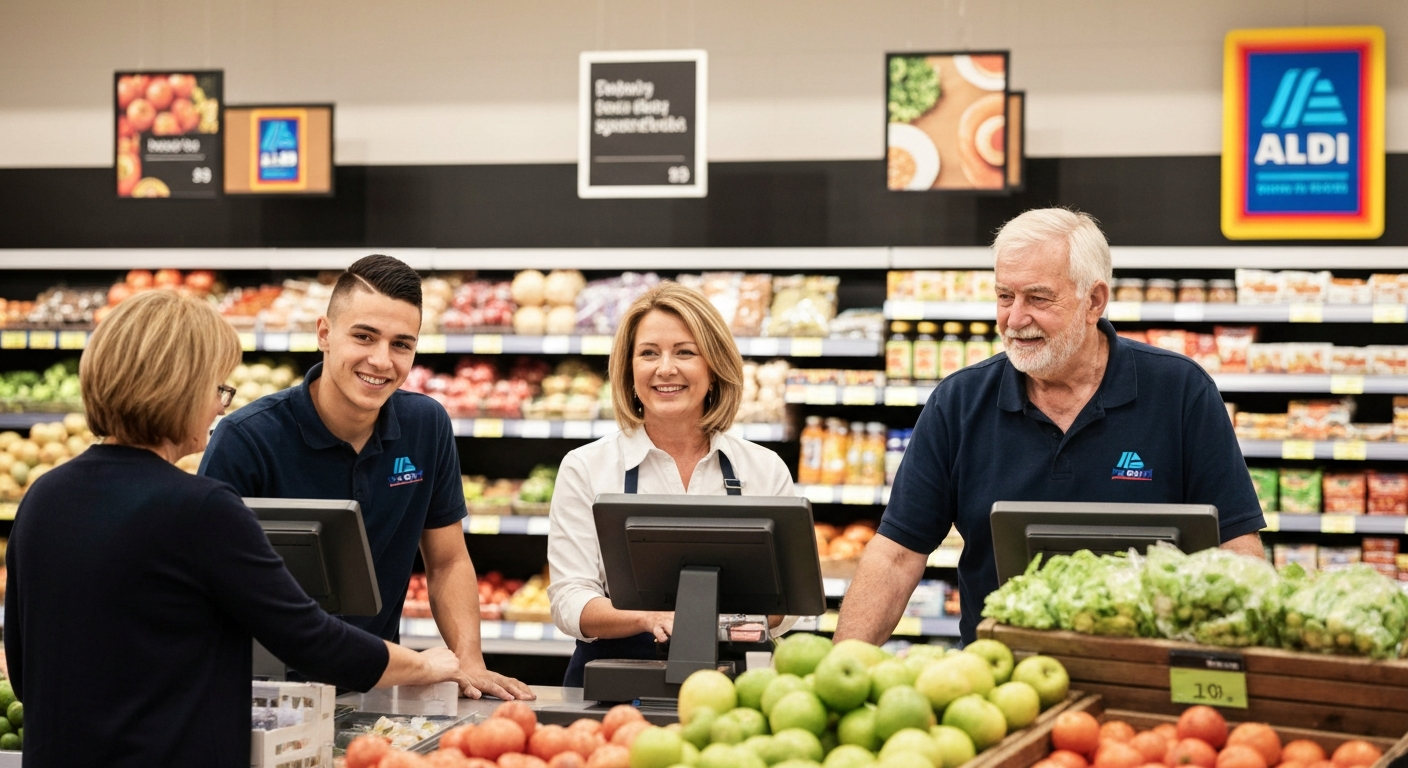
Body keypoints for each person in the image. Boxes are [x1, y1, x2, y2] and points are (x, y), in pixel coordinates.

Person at [4, 290, 468, 768]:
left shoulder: (44, 497)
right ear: (178, 389)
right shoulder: (199, 509)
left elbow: (23, 668)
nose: (220, 406)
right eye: (216, 387)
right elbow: (312, 640)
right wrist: (425, 663)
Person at [834, 208, 1266, 646]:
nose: (1015, 319)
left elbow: (1236, 547)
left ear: (1094, 301)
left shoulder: (1180, 391)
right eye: (1005, 297)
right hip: (996, 681)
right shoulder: (959, 403)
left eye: (1038, 299)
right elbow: (896, 555)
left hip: (1146, 667)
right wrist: (840, 665)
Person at [200, 255, 532, 701]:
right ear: (324, 334)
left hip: (373, 690)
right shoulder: (247, 439)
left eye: (401, 345)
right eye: (364, 337)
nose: (381, 361)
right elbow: (214, 590)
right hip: (259, 696)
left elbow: (448, 560)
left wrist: (468, 658)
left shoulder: (426, 426)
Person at [547, 282, 797, 687]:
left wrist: (716, 625)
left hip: (738, 686)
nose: (665, 368)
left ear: (714, 367)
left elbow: (791, 603)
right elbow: (570, 599)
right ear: (628, 370)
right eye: (648, 353)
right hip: (616, 685)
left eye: (685, 352)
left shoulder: (763, 469)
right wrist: (649, 619)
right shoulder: (585, 468)